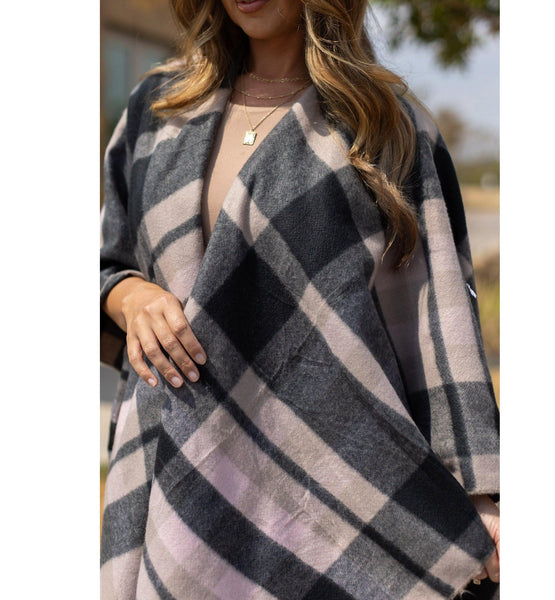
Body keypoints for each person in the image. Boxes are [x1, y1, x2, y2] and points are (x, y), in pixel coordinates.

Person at [100, 0, 500, 598]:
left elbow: (435, 317)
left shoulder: (386, 124)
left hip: (330, 488)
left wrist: (478, 489)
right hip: (169, 468)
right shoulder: (158, 109)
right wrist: (130, 297)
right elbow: (104, 263)